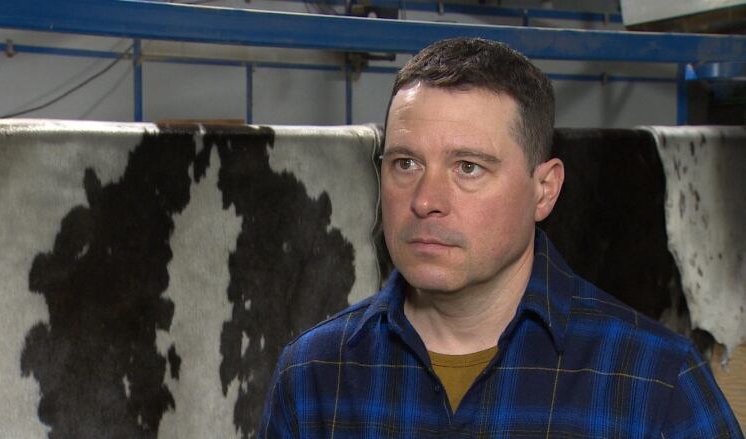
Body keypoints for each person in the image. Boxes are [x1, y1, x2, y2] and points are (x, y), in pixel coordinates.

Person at [259, 37, 743, 438]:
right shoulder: (313, 375)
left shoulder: (656, 384)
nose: (425, 199)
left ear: (544, 190)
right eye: (405, 163)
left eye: (468, 167)